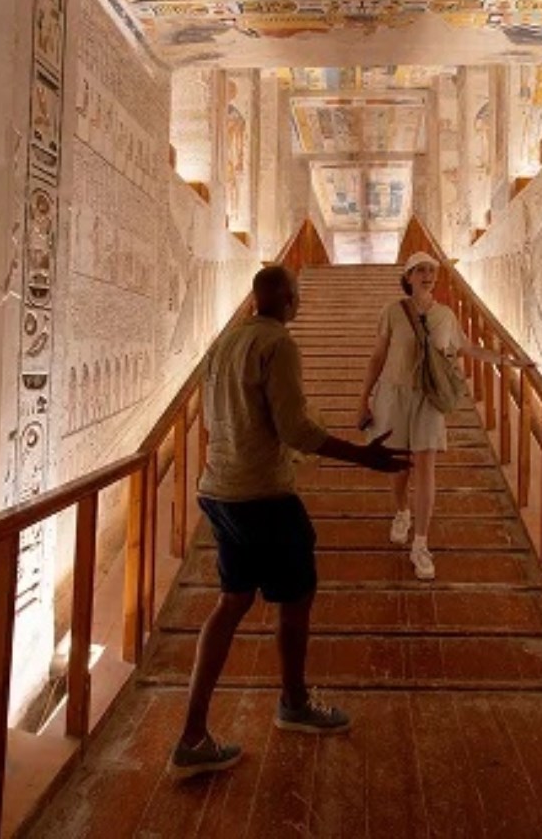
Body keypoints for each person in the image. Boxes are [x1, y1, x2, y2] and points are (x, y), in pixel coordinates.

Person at [170, 265, 410, 780]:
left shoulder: (225, 340)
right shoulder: (278, 343)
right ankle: (294, 703)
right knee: (296, 599)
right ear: (290, 300)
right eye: (296, 295)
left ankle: (192, 735)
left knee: (232, 602)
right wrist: (364, 457)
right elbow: (295, 429)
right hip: (263, 493)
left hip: (219, 489)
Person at [357, 251, 530, 582]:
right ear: (408, 277)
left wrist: (508, 361)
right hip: (394, 396)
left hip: (428, 398)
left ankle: (421, 544)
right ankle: (402, 512)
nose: (427, 276)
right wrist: (363, 398)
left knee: (426, 468)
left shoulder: (446, 315)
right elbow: (377, 357)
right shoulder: (392, 312)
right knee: (399, 465)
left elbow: (468, 348)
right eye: (420, 270)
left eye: (431, 271)